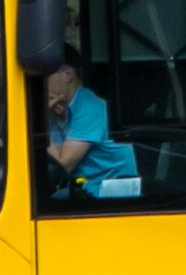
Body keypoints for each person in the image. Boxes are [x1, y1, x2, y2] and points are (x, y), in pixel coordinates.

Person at [38, 64, 140, 201]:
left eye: (43, 75)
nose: (38, 83)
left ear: (67, 73)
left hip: (109, 198)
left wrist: (38, 119)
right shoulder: (56, 107)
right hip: (81, 189)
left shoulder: (90, 107)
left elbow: (61, 165)